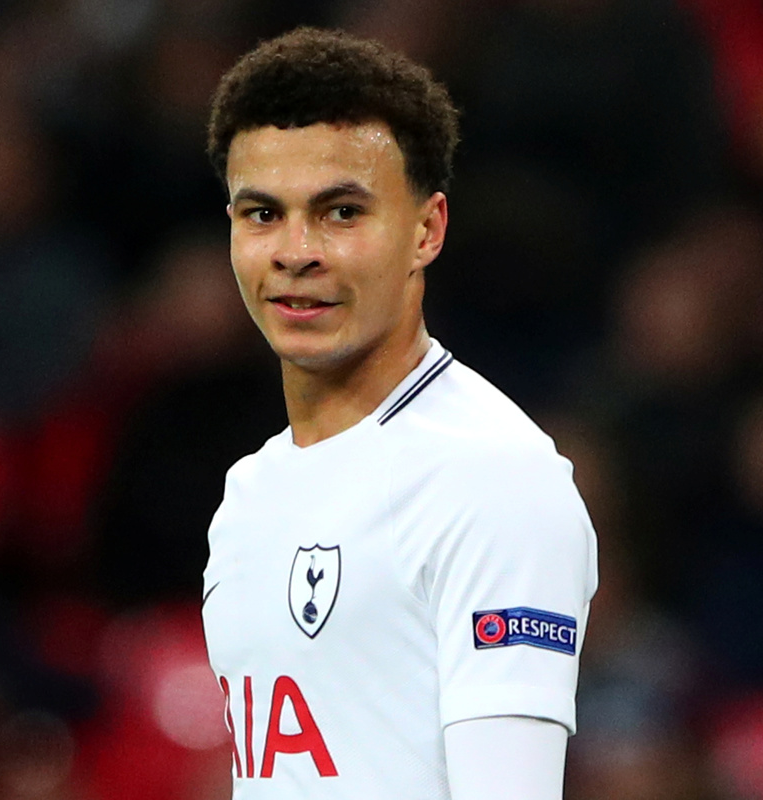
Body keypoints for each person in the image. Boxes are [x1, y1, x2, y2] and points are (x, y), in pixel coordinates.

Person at [199, 27, 598, 800]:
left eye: (342, 212)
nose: (295, 251)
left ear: (426, 230)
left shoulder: (493, 479)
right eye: (263, 214)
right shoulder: (248, 495)